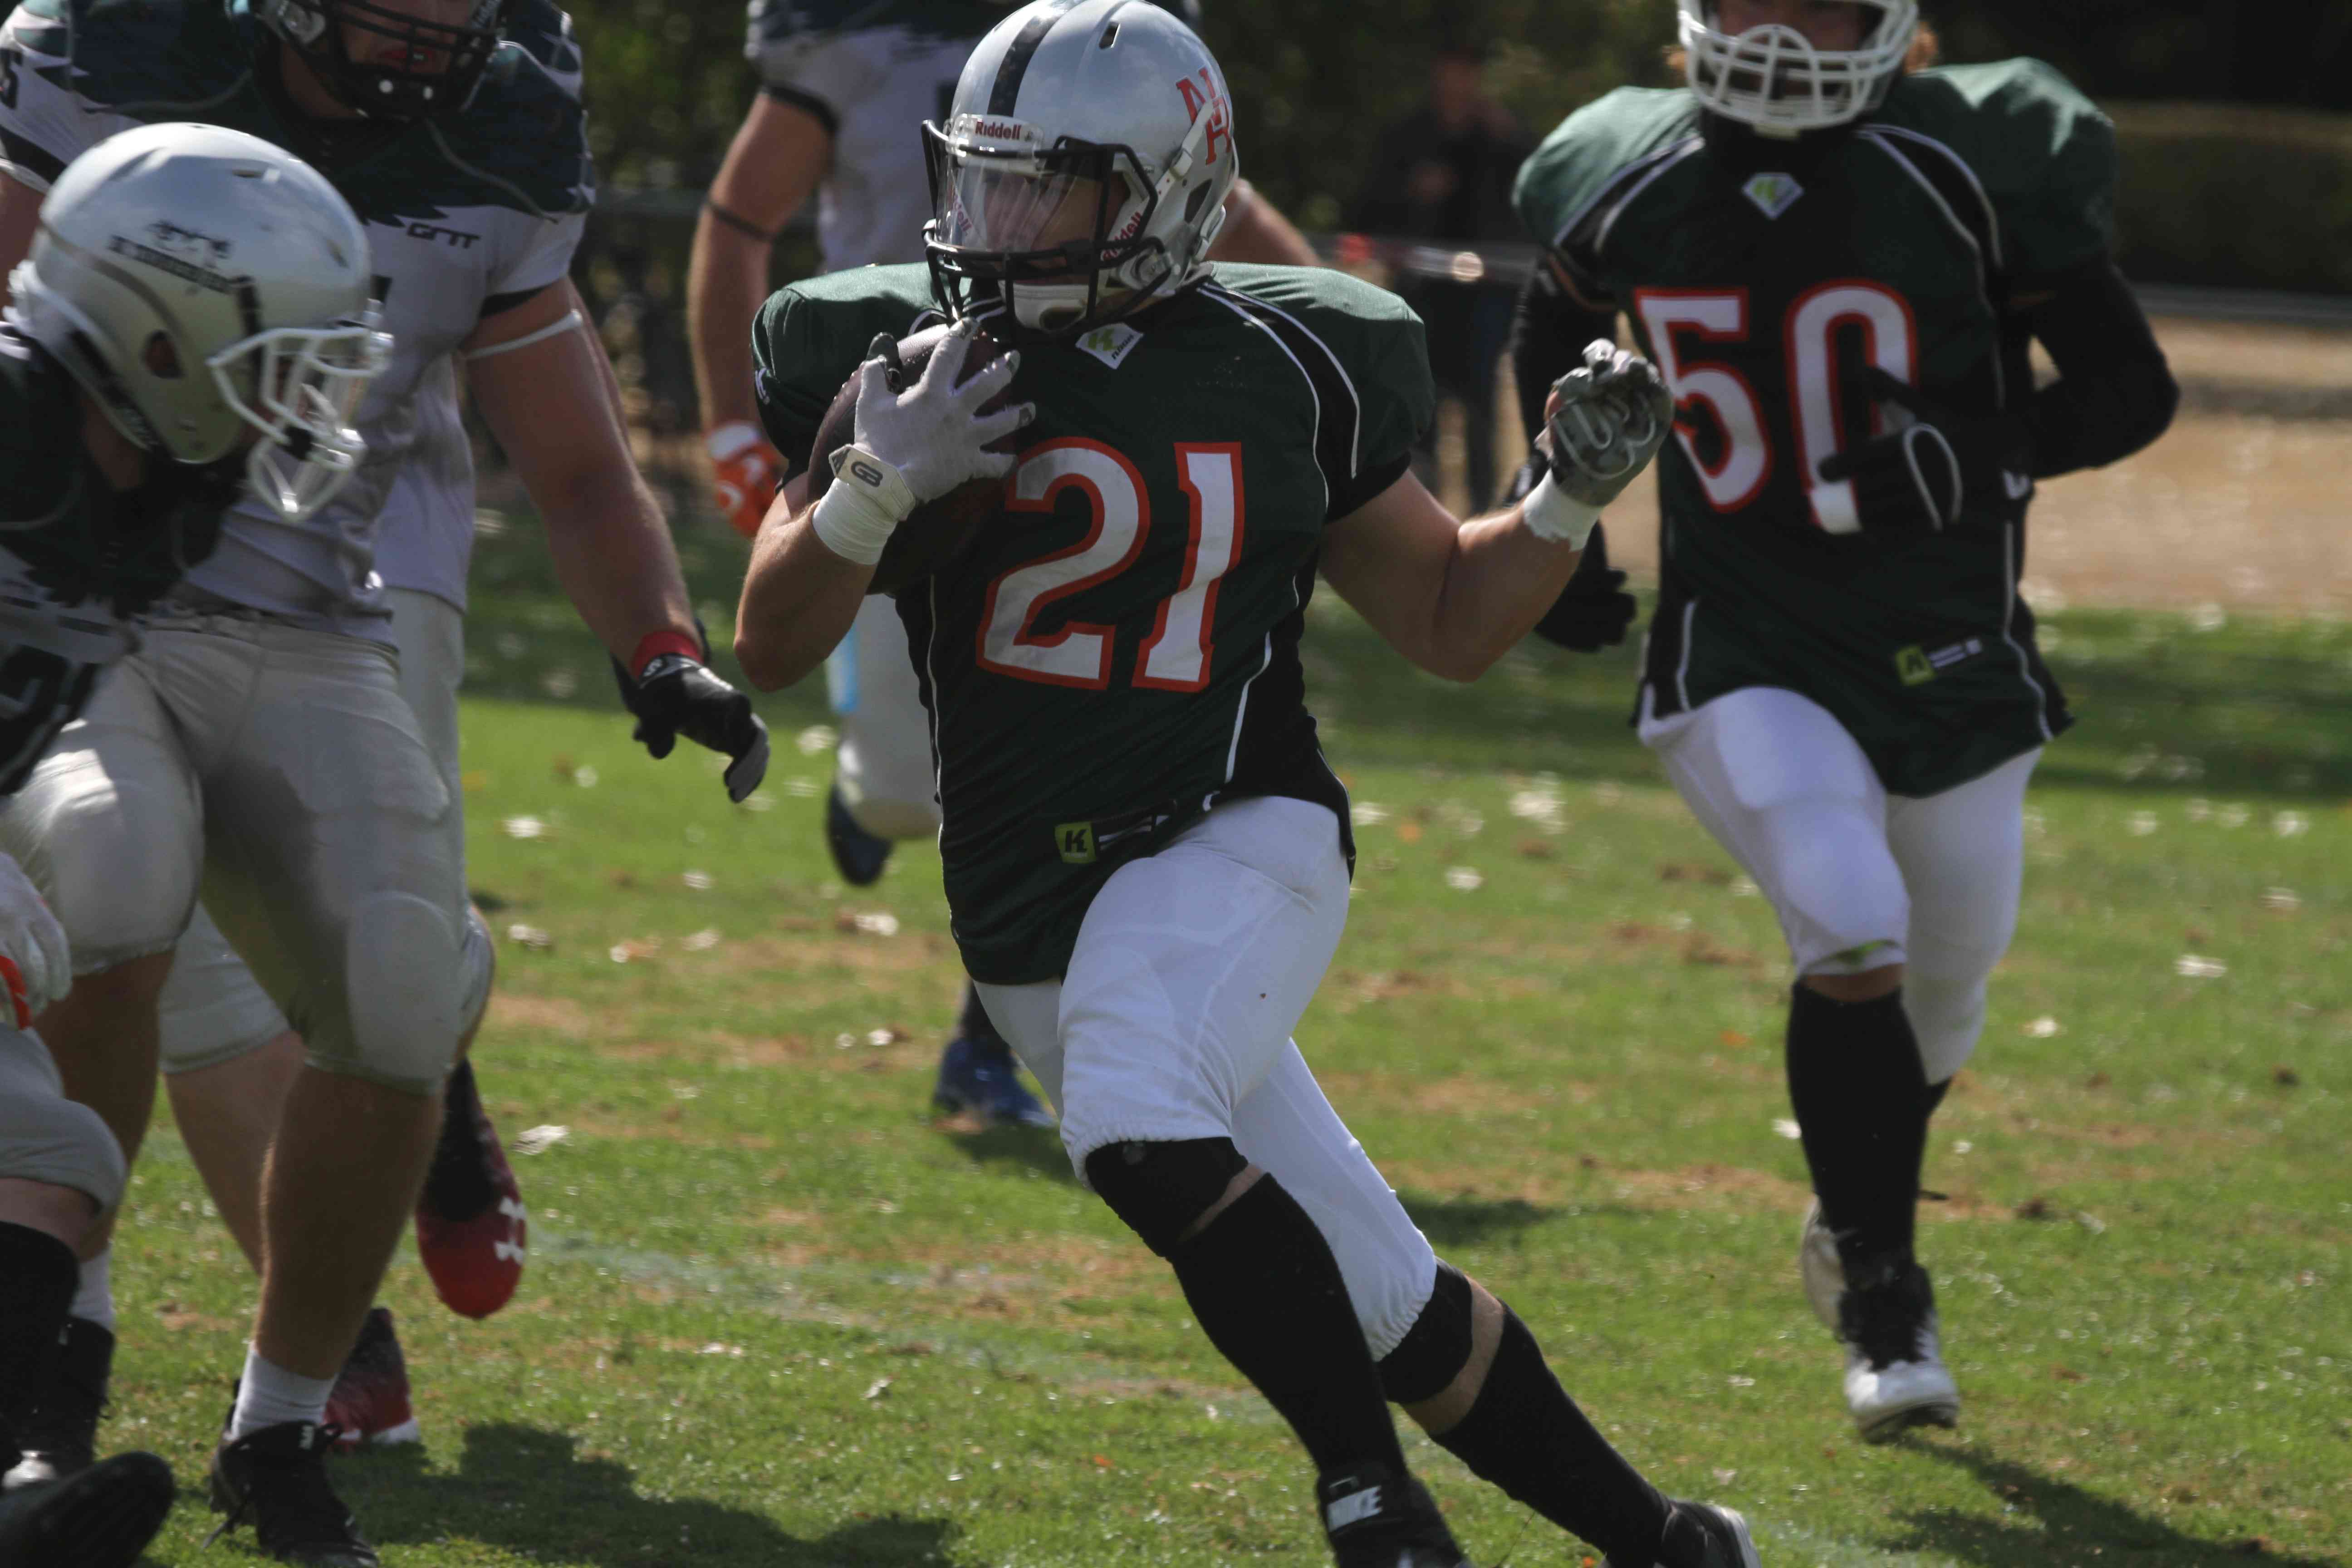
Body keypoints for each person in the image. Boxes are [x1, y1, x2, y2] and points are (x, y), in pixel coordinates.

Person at [736, 6, 1752, 1566]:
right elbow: (770, 641)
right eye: (983, 177)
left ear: (1170, 189)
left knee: (1138, 1114)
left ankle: (1371, 1504)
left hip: (1234, 831)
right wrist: (871, 485)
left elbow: (1445, 619)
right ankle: (1672, 1543)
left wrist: (1565, 496)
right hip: (1025, 909)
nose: (998, 220)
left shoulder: (1294, 359)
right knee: (1387, 1303)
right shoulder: (901, 361)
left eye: (1046, 186)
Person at [0, 1, 770, 1560]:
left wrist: (658, 646)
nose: (428, 36)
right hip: (93, 600)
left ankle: (278, 1430)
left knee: (412, 976)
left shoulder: (501, 130)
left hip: (304, 611)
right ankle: (46, 1400)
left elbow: (574, 462)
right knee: (113, 870)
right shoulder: (101, 59)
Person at [1509, 0, 2178, 1439]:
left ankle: (1851, 1203)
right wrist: (1555, 519)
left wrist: (1979, 455)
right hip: (1744, 639)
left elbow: (2134, 387)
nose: (1786, 33)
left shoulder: (1975, 158)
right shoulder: (1624, 165)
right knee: (1852, 923)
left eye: (1821, 5)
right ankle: (1886, 1292)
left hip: (1953, 647)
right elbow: (1551, 331)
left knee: (1947, 984)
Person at [689, 0, 1319, 1129]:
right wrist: (737, 422)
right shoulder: (861, 39)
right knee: (899, 796)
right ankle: (869, 795)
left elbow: (1212, 192)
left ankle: (984, 1046)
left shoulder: (1106, 50)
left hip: (1089, 433)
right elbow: (737, 218)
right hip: (903, 414)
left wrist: (1318, 332)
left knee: (1078, 763)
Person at [0, 119, 391, 1568]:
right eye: (277, 360)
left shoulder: (153, 484)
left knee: (50, 1160)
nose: (302, 403)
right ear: (158, 340)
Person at [1347, 31, 1533, 510]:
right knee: (1420, 413)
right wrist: (1413, 193)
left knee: (1481, 414)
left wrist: (1511, 139)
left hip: (1485, 299)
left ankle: (1483, 517)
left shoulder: (1502, 139)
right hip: (1421, 296)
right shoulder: (1408, 137)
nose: (1459, 80)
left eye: (1469, 69)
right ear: (1438, 72)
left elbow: (1527, 210)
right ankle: (1425, 517)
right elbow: (1365, 211)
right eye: (1452, 67)